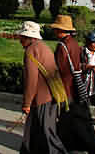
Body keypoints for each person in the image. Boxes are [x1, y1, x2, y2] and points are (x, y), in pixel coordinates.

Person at [51, 15, 95, 154]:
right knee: (77, 120)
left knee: (67, 121)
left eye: (56, 29)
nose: (55, 32)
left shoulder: (62, 46)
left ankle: (69, 146)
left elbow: (60, 70)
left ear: (61, 30)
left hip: (66, 88)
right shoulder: (74, 43)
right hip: (77, 86)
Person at [17, 21, 66, 154]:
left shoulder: (30, 51)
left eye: (22, 37)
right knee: (34, 134)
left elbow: (31, 81)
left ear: (29, 38)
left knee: (47, 135)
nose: (20, 40)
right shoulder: (43, 47)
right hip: (51, 96)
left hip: (41, 99)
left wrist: (26, 104)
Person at [81, 31, 95, 100]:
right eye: (93, 42)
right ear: (88, 42)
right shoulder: (82, 51)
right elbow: (76, 65)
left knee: (93, 97)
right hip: (84, 79)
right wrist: (87, 67)